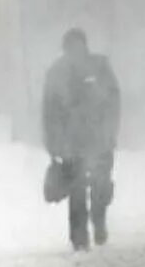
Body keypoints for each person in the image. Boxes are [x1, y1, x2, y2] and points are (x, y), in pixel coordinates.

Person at [42, 27, 122, 251]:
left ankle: (99, 220)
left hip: (99, 139)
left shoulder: (100, 67)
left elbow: (113, 101)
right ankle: (79, 237)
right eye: (71, 47)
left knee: (101, 185)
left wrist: (110, 131)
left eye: (79, 46)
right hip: (71, 143)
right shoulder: (56, 73)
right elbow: (49, 111)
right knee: (76, 189)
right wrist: (53, 142)